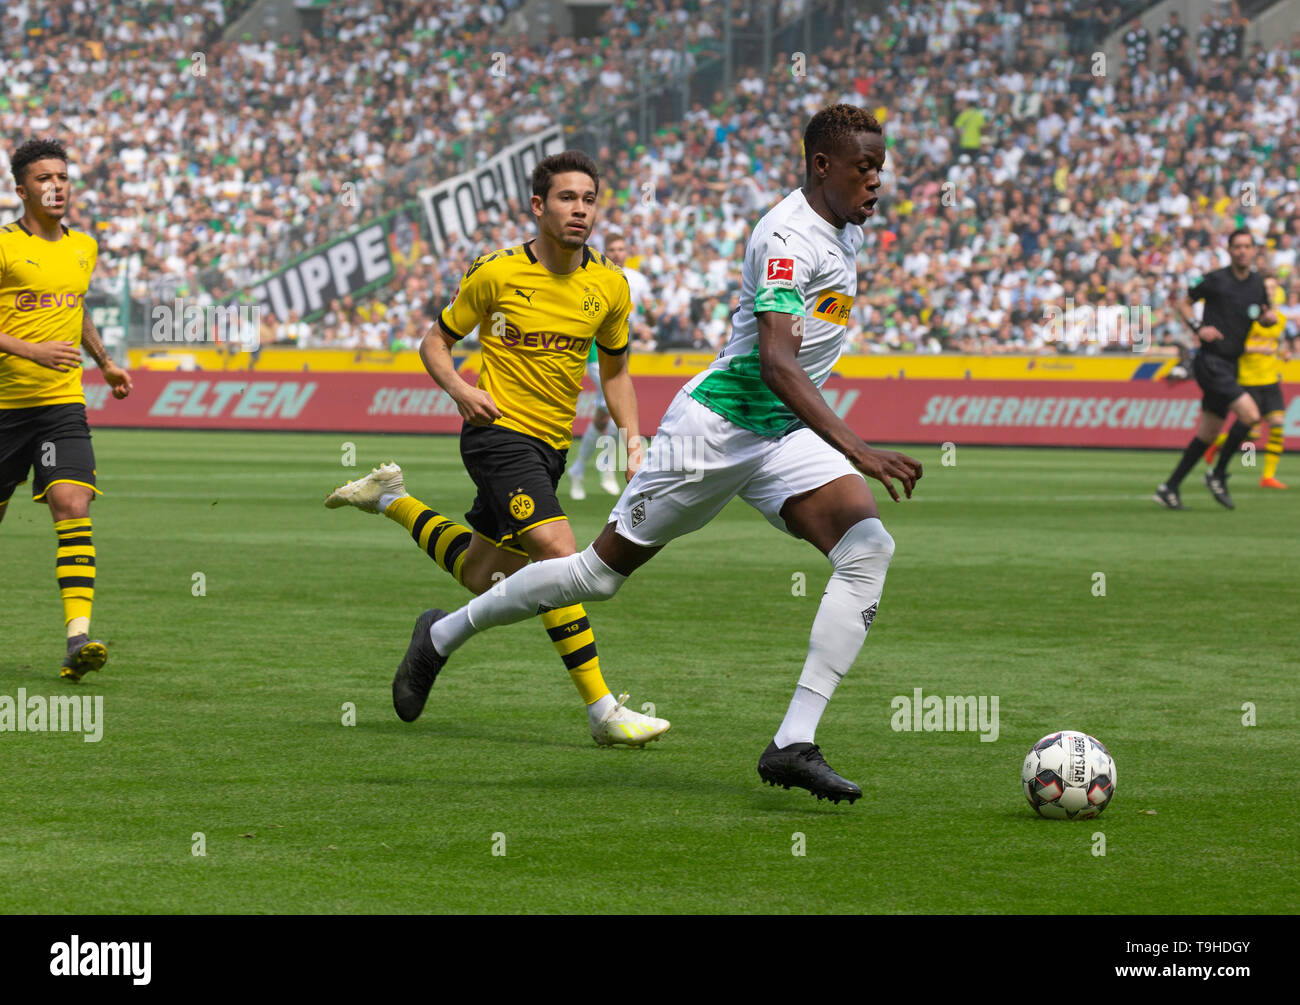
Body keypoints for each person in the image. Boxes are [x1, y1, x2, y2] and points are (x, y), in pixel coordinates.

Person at [388, 105, 923, 804]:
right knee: (594, 576)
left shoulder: (841, 228)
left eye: (880, 167)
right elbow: (776, 363)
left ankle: (793, 741)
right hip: (718, 429)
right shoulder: (788, 237)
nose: (877, 181)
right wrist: (858, 447)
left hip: (780, 434)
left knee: (867, 548)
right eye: (864, 168)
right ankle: (444, 632)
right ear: (822, 166)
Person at [325, 150, 669, 747]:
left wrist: (632, 437)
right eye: (567, 198)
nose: (579, 209)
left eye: (589, 199)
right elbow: (436, 341)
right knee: (562, 563)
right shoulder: (497, 273)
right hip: (497, 437)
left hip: (549, 450)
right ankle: (604, 712)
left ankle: (392, 503)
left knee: (485, 576)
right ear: (538, 206)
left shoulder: (609, 286)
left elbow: (615, 373)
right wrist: (461, 389)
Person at [0, 138, 134, 680]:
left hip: (61, 403)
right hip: (5, 407)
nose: (56, 186)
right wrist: (30, 349)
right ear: (21, 190)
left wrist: (103, 361)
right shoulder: (4, 245)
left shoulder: (84, 247)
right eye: (43, 178)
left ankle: (78, 639)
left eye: (63, 176)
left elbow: (74, 310)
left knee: (71, 502)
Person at [1156, 229, 1268, 510]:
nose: (1242, 251)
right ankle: (1217, 474)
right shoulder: (1215, 280)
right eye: (1237, 246)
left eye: (1247, 246)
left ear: (1254, 250)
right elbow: (1184, 301)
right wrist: (1198, 328)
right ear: (1229, 251)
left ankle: (1169, 487)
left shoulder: (1257, 284)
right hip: (1210, 361)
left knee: (1207, 434)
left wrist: (1267, 319)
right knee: (1251, 414)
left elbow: (1262, 313)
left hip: (1231, 364)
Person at [568, 230, 651, 501]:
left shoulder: (637, 280)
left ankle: (579, 469)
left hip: (622, 350)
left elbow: (642, 311)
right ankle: (604, 469)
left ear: (627, 251)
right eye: (612, 250)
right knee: (614, 409)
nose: (617, 254)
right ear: (606, 251)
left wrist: (648, 323)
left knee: (606, 415)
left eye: (621, 249)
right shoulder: (598, 275)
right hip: (596, 353)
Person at [1203, 274, 1291, 488]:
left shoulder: (1280, 319)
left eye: (1273, 288)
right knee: (1250, 435)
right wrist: (1258, 349)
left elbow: (1280, 344)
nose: (1270, 291)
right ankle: (1215, 442)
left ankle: (1267, 476)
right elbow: (1235, 345)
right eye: (1266, 288)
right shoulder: (1247, 317)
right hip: (1249, 378)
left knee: (1278, 425)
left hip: (1270, 379)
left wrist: (1284, 352)